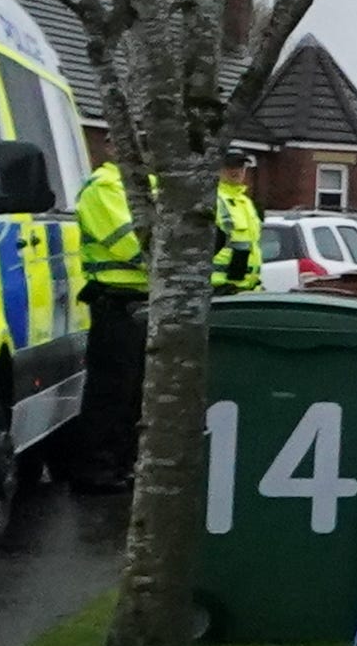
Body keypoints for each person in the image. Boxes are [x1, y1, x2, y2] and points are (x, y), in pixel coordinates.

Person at [64, 155, 269, 494]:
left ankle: (121, 465)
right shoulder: (106, 188)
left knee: (138, 392)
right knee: (114, 390)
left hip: (148, 302)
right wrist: (187, 248)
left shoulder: (148, 188)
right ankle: (96, 469)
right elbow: (140, 248)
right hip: (119, 302)